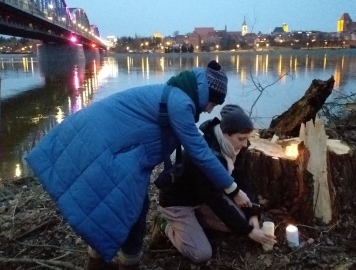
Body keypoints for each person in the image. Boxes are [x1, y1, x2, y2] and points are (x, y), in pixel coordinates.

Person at [24, 61, 253, 270]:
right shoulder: (180, 103)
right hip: (110, 150)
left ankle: (107, 260)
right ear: (205, 93)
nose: (209, 110)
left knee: (124, 207)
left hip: (120, 151)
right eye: (212, 102)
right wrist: (232, 188)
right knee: (127, 207)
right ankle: (112, 262)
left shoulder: (177, 95)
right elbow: (200, 152)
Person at [152, 104, 276, 263]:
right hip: (178, 202)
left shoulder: (235, 148)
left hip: (202, 200)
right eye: (241, 139)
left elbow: (242, 178)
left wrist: (252, 214)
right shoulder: (204, 155)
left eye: (247, 139)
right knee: (201, 254)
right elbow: (215, 199)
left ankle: (193, 223)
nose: (245, 144)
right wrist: (248, 231)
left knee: (240, 222)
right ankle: (164, 225)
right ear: (226, 134)